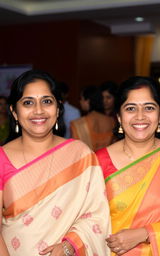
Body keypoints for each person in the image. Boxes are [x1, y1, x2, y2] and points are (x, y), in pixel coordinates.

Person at [0, 70, 111, 256]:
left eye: (47, 101)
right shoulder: (2, 158)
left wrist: (70, 246)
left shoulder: (80, 155)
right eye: (28, 102)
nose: (38, 110)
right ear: (14, 112)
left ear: (58, 109)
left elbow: (97, 217)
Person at [96, 76, 160, 255]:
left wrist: (145, 233)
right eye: (130, 108)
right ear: (119, 117)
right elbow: (86, 221)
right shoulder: (97, 162)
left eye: (149, 108)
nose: (140, 116)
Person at [71, 86, 115, 151]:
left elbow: (76, 150)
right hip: (107, 159)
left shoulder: (78, 123)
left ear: (87, 101)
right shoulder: (111, 121)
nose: (80, 102)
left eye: (81, 99)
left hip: (87, 160)